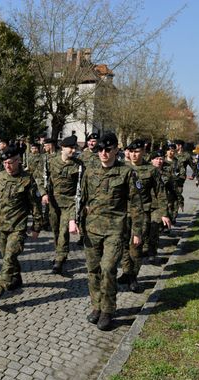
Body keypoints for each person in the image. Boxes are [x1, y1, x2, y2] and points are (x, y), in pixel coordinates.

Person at [77, 132, 144, 331]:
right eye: (100, 150)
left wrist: (137, 231)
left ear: (116, 149)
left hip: (114, 230)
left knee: (107, 268)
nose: (103, 153)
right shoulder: (90, 170)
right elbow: (83, 199)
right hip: (92, 230)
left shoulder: (126, 173)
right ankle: (96, 306)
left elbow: (135, 204)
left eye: (108, 149)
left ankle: (108, 310)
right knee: (93, 270)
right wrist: (77, 222)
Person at [0, 145, 43, 307]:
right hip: (2, 225)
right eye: (5, 163)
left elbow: (35, 205)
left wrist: (37, 226)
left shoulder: (27, 179)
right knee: (7, 257)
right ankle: (16, 277)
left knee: (9, 258)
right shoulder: (0, 177)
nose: (7, 166)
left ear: (18, 161)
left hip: (18, 227)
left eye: (10, 163)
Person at [118, 139, 170, 293]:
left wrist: (164, 213)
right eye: (132, 152)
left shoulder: (151, 170)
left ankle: (134, 276)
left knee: (136, 246)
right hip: (122, 213)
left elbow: (160, 193)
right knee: (123, 246)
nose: (134, 154)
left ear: (143, 152)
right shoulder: (122, 167)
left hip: (142, 213)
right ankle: (126, 272)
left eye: (137, 151)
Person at [38, 135, 83, 273]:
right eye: (71, 148)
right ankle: (60, 252)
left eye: (75, 148)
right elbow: (40, 178)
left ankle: (59, 259)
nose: (73, 151)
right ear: (62, 148)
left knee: (64, 231)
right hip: (53, 202)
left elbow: (82, 185)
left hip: (69, 203)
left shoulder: (78, 165)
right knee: (56, 230)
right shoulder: (50, 162)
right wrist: (43, 193)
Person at [149, 149, 176, 263]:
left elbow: (172, 190)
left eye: (161, 159)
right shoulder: (145, 172)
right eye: (156, 159)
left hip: (158, 206)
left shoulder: (166, 174)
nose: (159, 161)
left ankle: (152, 253)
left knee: (154, 230)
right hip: (144, 205)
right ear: (151, 160)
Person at [174, 139, 197, 211]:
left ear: (179, 146)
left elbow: (194, 167)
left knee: (177, 195)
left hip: (180, 178)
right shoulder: (171, 153)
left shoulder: (187, 155)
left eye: (175, 145)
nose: (173, 146)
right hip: (169, 178)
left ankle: (174, 214)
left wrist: (195, 177)